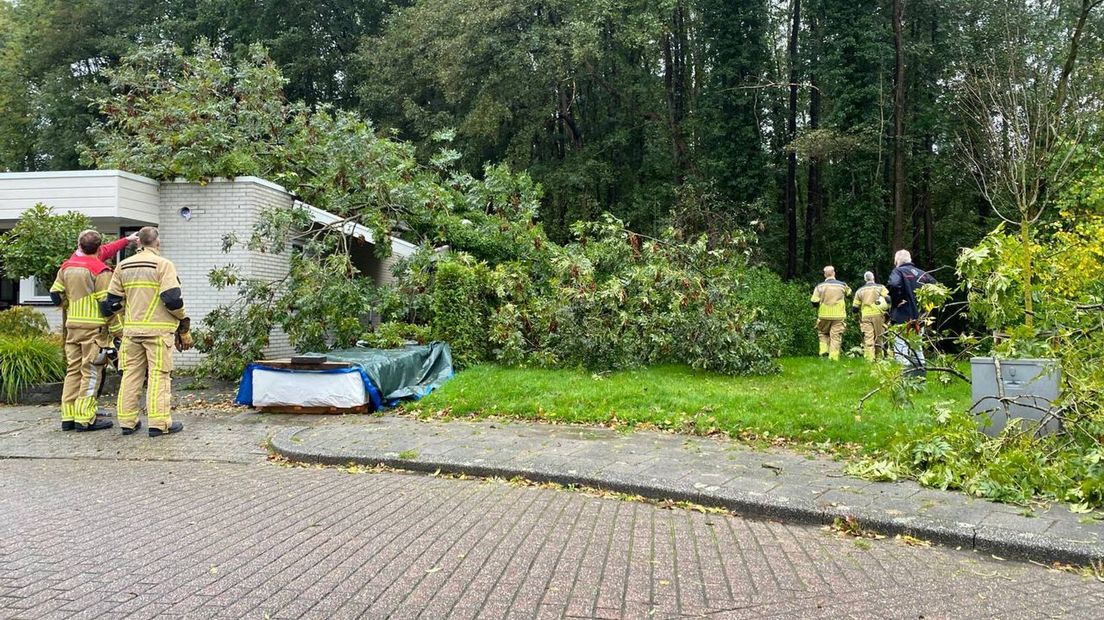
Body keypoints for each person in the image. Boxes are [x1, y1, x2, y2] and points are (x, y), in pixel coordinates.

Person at [101, 227, 193, 437]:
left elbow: (112, 303)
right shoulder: (163, 265)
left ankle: (127, 422)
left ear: (138, 243)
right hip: (158, 333)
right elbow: (172, 299)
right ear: (157, 242)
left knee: (131, 376)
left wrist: (131, 314)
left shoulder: (122, 266)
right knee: (158, 376)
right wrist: (181, 317)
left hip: (132, 332)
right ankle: (159, 424)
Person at [48, 230, 135, 431]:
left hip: (72, 328)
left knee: (73, 371)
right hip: (94, 330)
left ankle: (68, 417)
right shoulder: (100, 270)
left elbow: (55, 295)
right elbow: (107, 307)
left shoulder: (66, 267)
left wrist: (70, 306)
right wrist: (118, 331)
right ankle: (85, 418)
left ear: (78, 245)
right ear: (98, 247)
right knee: (91, 372)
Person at [886, 249, 937, 371]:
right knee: (917, 346)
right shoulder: (922, 274)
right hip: (920, 316)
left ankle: (903, 374)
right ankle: (920, 373)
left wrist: (897, 301)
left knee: (901, 346)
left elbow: (893, 285)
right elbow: (936, 287)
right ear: (910, 259)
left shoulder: (898, 271)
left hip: (902, 316)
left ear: (897, 260)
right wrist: (927, 304)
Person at [810, 265, 851, 361]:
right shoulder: (842, 285)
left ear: (825, 275)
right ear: (834, 273)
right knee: (835, 336)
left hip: (824, 315)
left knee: (823, 334)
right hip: (838, 315)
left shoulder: (819, 286)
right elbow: (849, 293)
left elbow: (814, 301)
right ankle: (833, 357)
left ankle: (824, 352)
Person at [852, 271, 890, 361]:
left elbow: (855, 308)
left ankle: (870, 359)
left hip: (866, 316)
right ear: (873, 278)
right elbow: (888, 298)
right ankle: (879, 358)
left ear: (865, 279)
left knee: (868, 337)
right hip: (878, 315)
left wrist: (856, 317)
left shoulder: (859, 291)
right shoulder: (880, 287)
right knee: (879, 336)